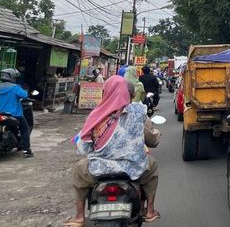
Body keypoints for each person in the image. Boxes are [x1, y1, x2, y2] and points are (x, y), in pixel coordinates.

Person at [64, 76, 161, 227]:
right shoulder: (139, 111)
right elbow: (152, 140)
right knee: (153, 166)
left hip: (99, 169)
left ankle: (79, 216)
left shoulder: (97, 115)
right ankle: (149, 211)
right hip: (133, 170)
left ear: (106, 92)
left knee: (79, 169)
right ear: (129, 93)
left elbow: (83, 148)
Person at [0, 68, 32, 157]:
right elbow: (25, 95)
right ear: (12, 77)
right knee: (25, 129)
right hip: (14, 114)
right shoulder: (15, 87)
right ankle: (27, 150)